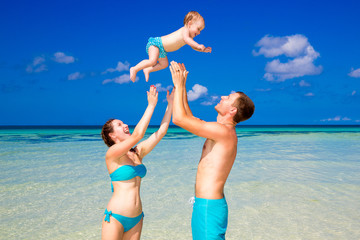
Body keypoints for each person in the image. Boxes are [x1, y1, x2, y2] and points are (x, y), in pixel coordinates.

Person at [169, 61, 255, 240]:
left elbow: (178, 119)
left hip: (209, 206)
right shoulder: (222, 131)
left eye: (228, 97)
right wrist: (182, 87)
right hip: (205, 204)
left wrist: (177, 84)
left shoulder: (223, 131)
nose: (223, 96)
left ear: (232, 110)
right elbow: (189, 118)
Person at [100, 85, 173, 240]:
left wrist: (170, 104)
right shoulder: (112, 154)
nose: (126, 125)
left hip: (137, 218)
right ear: (112, 135)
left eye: (124, 123)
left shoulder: (137, 152)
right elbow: (138, 134)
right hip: (116, 217)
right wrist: (151, 105)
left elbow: (161, 132)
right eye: (120, 125)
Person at [130, 11, 212, 83]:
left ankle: (147, 69)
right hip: (156, 44)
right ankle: (134, 68)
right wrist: (198, 45)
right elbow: (188, 40)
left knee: (164, 64)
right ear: (189, 24)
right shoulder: (185, 30)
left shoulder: (190, 38)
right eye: (198, 29)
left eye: (200, 30)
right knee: (152, 61)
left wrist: (203, 50)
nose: (199, 32)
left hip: (162, 51)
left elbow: (192, 46)